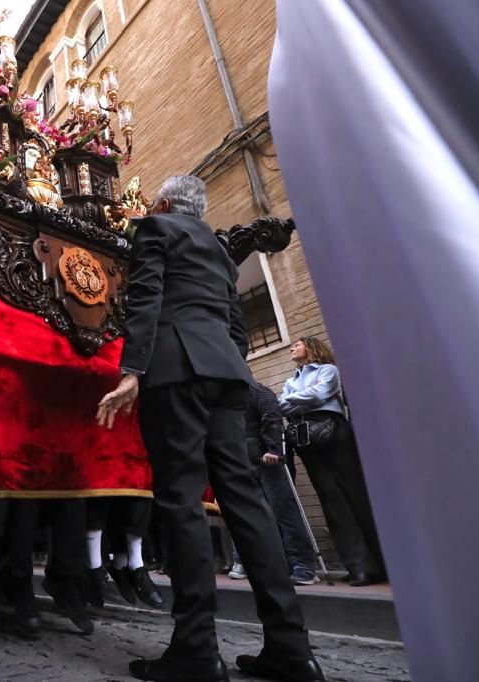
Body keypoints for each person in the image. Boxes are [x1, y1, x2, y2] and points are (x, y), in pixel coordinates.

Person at [96, 175, 323, 682]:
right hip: (226, 376)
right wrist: (227, 368)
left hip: (176, 371)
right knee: (246, 501)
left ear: (167, 203)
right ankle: (291, 647)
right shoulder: (220, 250)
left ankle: (196, 649)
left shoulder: (155, 228)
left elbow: (146, 298)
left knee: (180, 502)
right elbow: (236, 325)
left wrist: (132, 370)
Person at [279, 337, 384, 586]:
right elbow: (282, 405)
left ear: (312, 348)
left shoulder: (328, 370)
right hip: (306, 439)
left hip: (333, 431)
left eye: (298, 344)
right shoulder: (290, 380)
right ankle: (358, 565)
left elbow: (323, 392)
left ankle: (381, 562)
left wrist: (296, 399)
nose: (292, 348)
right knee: (331, 500)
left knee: (356, 493)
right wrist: (305, 397)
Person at [228, 381, 320, 587]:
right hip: (244, 459)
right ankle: (249, 561)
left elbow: (272, 418)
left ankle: (303, 565)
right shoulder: (225, 399)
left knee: (283, 510)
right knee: (248, 512)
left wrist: (274, 449)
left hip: (268, 459)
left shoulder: (258, 391)